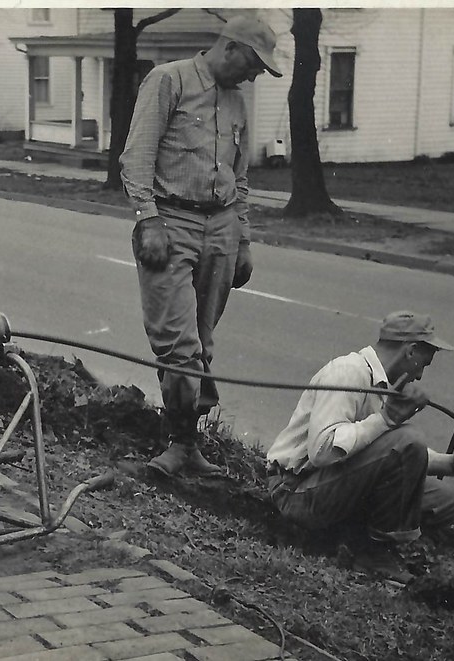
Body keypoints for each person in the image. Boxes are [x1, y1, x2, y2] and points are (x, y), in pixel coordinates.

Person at [120, 15, 283, 478]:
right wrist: (147, 219)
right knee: (179, 343)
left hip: (222, 228)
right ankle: (179, 443)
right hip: (171, 222)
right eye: (253, 64)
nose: (254, 76)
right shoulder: (167, 80)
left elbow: (242, 177)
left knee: (202, 343)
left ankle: (189, 449)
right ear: (230, 48)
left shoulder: (236, 101)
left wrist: (244, 240)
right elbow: (136, 157)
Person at [265, 311, 454, 582]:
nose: (421, 376)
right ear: (410, 351)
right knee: (408, 438)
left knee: (447, 500)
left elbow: (388, 452)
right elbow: (323, 451)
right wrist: (386, 419)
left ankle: (352, 535)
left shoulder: (384, 384)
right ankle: (374, 555)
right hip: (295, 491)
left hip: (327, 487)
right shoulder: (348, 372)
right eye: (424, 363)